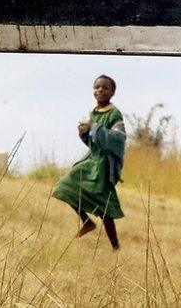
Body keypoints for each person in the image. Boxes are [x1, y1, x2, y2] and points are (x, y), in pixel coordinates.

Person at [53, 75, 127, 250]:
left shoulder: (114, 113)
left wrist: (94, 128)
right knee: (65, 185)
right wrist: (84, 133)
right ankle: (86, 221)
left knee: (104, 208)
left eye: (105, 88)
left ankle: (115, 247)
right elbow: (93, 142)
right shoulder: (93, 112)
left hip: (103, 166)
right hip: (91, 160)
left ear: (113, 92)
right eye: (97, 87)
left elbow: (118, 139)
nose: (100, 90)